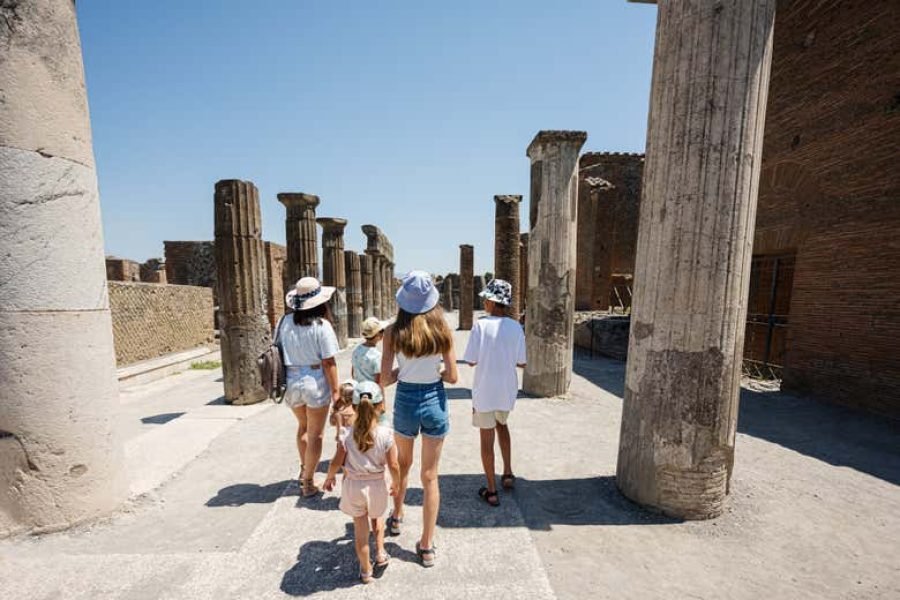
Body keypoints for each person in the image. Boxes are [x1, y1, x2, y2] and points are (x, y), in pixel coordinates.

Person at [379, 270, 457, 568]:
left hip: (407, 400)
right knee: (430, 476)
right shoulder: (442, 331)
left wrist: (404, 373)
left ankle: (397, 515)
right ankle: (426, 546)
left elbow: (385, 378)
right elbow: (452, 376)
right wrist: (432, 371)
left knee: (402, 465)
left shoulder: (391, 332)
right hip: (434, 400)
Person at [323, 381, 400, 584]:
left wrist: (330, 477)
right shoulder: (386, 434)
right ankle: (381, 552)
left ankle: (366, 571)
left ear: (353, 407)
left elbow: (336, 461)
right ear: (380, 406)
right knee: (378, 518)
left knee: (360, 532)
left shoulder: (346, 435)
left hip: (354, 486)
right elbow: (394, 464)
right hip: (376, 486)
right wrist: (397, 482)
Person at [462, 279, 527, 507]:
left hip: (485, 391)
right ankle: (508, 473)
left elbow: (470, 361)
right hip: (506, 390)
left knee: (486, 438)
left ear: (491, 301)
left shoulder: (480, 325)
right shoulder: (516, 327)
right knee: (503, 426)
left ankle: (491, 490)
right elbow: (522, 363)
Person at [279, 277, 342, 498]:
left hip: (291, 380)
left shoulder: (283, 322)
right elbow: (329, 362)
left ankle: (304, 469)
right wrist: (336, 392)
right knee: (316, 435)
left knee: (303, 428)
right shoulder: (322, 326)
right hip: (315, 381)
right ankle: (307, 482)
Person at [352, 317, 387, 385]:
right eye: (382, 331)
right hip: (371, 392)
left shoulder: (356, 350)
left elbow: (353, 372)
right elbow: (379, 381)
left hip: (358, 389)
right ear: (378, 335)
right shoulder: (377, 355)